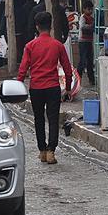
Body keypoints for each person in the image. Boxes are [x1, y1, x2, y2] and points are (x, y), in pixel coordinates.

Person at [17, 11, 73, 165]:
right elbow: (68, 69)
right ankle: (51, 151)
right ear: (50, 26)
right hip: (53, 87)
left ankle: (42, 150)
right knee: (53, 119)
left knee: (39, 119)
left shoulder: (30, 46)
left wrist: (18, 85)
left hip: (36, 88)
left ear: (37, 27)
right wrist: (68, 88)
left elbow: (23, 69)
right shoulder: (58, 45)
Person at [77, 2, 96, 85]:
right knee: (83, 60)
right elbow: (82, 27)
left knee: (90, 61)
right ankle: (78, 78)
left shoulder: (92, 18)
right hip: (83, 42)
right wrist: (91, 26)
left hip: (89, 41)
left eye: (91, 9)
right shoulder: (83, 17)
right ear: (84, 9)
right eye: (89, 9)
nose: (90, 11)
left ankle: (91, 79)